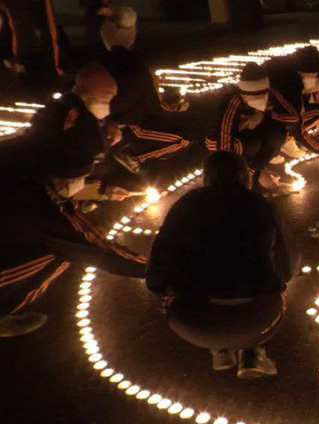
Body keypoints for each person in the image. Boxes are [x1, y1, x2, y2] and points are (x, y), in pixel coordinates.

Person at [0, 83, 147, 337]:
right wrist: (159, 268)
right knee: (59, 250)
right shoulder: (29, 198)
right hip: (18, 221)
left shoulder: (21, 153)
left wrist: (100, 191)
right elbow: (91, 245)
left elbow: (53, 189)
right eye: (83, 171)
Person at [146, 152, 300, 378]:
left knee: (157, 284)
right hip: (258, 321)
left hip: (194, 325)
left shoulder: (185, 205)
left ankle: (220, 349)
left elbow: (156, 276)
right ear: (245, 177)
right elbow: (289, 267)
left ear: (206, 178)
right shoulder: (262, 206)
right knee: (277, 289)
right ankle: (253, 352)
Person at [0, 61, 130, 201]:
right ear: (92, 92)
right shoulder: (73, 118)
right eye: (107, 96)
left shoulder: (72, 112)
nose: (109, 102)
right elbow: (72, 160)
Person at [98, 7, 192, 171]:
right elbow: (154, 103)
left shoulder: (99, 62)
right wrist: (176, 108)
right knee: (181, 140)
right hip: (128, 125)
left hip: (102, 122)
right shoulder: (137, 65)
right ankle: (132, 156)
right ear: (132, 35)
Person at [206, 62, 300, 193]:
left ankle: (256, 171)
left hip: (254, 133)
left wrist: (263, 114)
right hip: (224, 140)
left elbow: (293, 117)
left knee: (278, 133)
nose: (261, 99)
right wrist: (226, 173)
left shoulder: (271, 93)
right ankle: (248, 178)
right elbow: (224, 138)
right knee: (252, 142)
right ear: (245, 94)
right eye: (255, 96)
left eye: (263, 95)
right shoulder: (233, 101)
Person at [265, 45, 319, 154]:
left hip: (289, 111)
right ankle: (285, 141)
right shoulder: (285, 85)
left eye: (316, 74)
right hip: (273, 118)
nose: (314, 78)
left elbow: (315, 97)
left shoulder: (300, 77)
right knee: (294, 121)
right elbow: (296, 121)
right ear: (298, 73)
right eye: (310, 75)